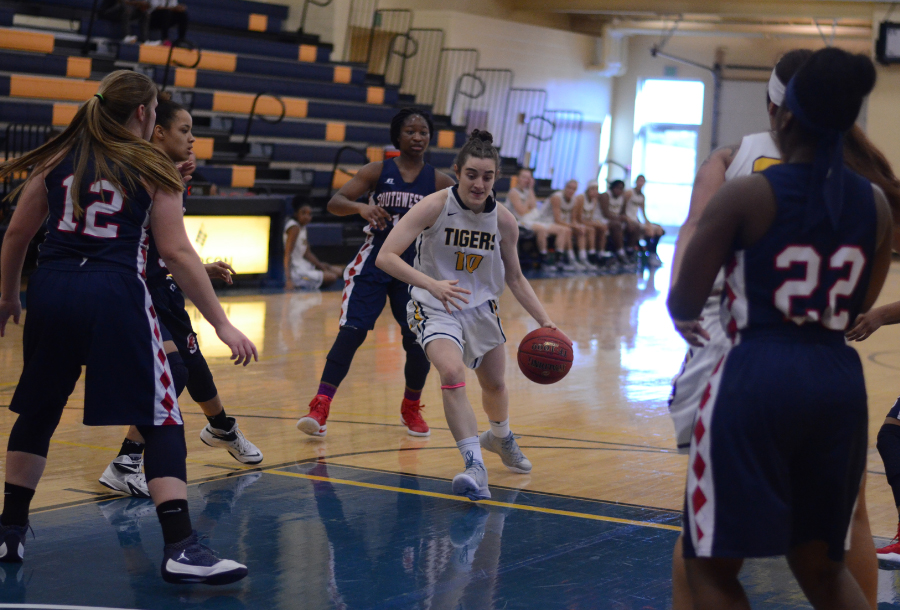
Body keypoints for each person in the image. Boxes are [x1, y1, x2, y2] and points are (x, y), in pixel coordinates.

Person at [0, 70, 257, 583]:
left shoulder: (56, 158)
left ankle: (10, 532)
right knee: (162, 413)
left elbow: (16, 235)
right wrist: (223, 322)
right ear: (143, 114)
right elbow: (177, 252)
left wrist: (9, 294)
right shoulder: (149, 164)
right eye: (157, 111)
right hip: (113, 291)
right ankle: (182, 547)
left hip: (51, 288)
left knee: (40, 409)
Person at [667, 47, 890, 609]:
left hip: (755, 374)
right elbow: (860, 303)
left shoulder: (748, 191)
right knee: (823, 569)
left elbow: (685, 298)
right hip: (838, 381)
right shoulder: (877, 205)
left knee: (711, 568)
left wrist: (689, 313)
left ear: (783, 115)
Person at [375, 130, 557, 499]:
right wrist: (431, 284)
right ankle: (474, 465)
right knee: (453, 371)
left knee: (495, 384)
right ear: (458, 171)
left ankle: (500, 437)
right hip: (434, 305)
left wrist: (545, 322)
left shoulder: (504, 221)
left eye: (487, 177)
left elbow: (516, 277)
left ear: (496, 179)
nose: (479, 183)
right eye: (472, 174)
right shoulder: (434, 205)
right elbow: (386, 256)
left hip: (480, 307)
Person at [99, 96, 263, 499]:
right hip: (135, 288)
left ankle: (222, 427)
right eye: (184, 131)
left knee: (193, 363)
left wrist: (196, 268)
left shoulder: (163, 173)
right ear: (157, 130)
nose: (193, 139)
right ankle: (126, 460)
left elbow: (155, 241)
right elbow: (146, 242)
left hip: (158, 282)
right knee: (174, 371)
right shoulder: (141, 173)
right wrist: (220, 321)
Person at [296, 109, 456, 438]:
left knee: (416, 341)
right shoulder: (377, 170)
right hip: (373, 262)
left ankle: (411, 407)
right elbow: (335, 201)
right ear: (397, 137)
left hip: (413, 269)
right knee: (352, 332)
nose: (417, 136)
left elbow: (461, 217)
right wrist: (361, 207)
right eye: (410, 131)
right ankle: (320, 405)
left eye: (423, 131)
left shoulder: (439, 181)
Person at [504, 167, 575, 271]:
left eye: (529, 178)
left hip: (532, 220)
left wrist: (531, 189)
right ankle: (543, 259)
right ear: (518, 178)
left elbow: (533, 206)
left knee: (562, 230)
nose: (526, 180)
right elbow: (521, 211)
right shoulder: (513, 192)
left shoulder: (528, 191)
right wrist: (528, 197)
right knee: (541, 229)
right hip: (519, 222)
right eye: (524, 177)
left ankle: (558, 260)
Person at [283, 201, 344, 290]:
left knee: (326, 266)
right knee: (332, 277)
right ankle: (301, 282)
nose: (307, 217)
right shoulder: (294, 228)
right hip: (296, 271)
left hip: (303, 265)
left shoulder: (302, 227)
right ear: (296, 213)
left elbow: (307, 253)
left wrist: (323, 268)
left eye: (309, 214)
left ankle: (351, 275)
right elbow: (287, 254)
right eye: (303, 213)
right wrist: (288, 280)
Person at [548, 179, 595, 269]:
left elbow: (573, 220)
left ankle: (582, 258)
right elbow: (557, 220)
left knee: (581, 229)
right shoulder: (557, 197)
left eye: (574, 189)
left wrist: (578, 226)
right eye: (569, 188)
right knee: (567, 230)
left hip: (562, 224)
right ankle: (571, 258)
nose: (571, 191)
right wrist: (574, 226)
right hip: (548, 222)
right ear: (565, 187)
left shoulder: (574, 200)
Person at [624, 175, 665, 267]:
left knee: (658, 229)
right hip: (629, 219)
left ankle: (653, 252)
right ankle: (649, 254)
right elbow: (623, 208)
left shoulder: (642, 196)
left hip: (636, 220)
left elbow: (643, 212)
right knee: (649, 231)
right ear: (636, 181)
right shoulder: (629, 193)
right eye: (640, 181)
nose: (641, 183)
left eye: (643, 181)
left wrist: (649, 223)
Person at [572, 181, 610, 266]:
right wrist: (595, 224)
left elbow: (589, 218)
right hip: (577, 223)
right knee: (591, 229)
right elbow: (578, 219)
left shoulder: (595, 200)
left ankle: (600, 253)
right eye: (593, 189)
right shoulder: (580, 198)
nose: (595, 191)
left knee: (603, 228)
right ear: (588, 190)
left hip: (586, 223)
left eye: (596, 189)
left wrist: (598, 224)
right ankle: (588, 255)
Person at [597, 180, 630, 262]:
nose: (619, 190)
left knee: (632, 226)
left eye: (621, 189)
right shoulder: (605, 195)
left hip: (615, 220)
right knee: (616, 225)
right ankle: (620, 252)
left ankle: (630, 251)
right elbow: (606, 214)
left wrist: (625, 219)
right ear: (612, 187)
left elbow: (623, 213)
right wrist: (619, 218)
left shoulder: (623, 198)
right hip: (602, 219)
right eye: (617, 188)